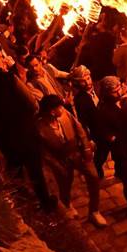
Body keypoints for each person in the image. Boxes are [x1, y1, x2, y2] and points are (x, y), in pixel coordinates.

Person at [0, 39, 55, 210]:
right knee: (35, 168)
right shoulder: (8, 78)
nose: (3, 60)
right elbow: (32, 103)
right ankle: (44, 202)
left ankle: (18, 197)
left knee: (15, 162)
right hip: (23, 130)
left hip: (1, 133)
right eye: (0, 57)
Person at [36, 95, 107, 226]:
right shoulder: (40, 128)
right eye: (59, 107)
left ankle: (94, 211)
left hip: (78, 153)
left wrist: (86, 148)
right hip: (61, 159)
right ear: (52, 111)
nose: (62, 108)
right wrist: (57, 165)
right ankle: (68, 204)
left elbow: (80, 130)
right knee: (65, 184)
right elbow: (44, 153)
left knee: (93, 177)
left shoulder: (66, 115)